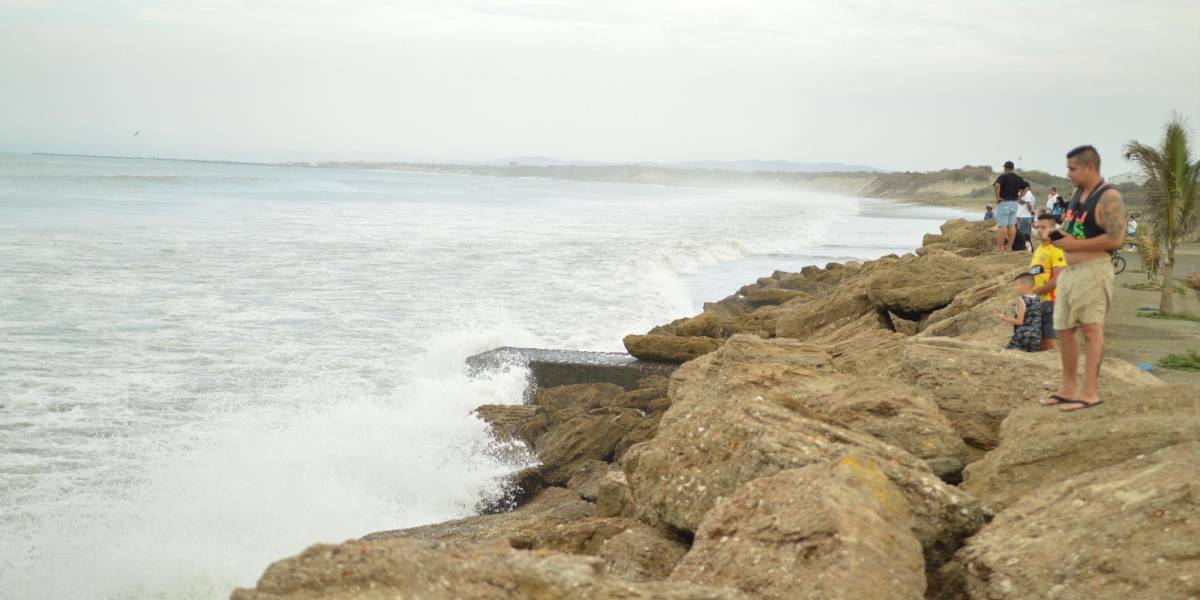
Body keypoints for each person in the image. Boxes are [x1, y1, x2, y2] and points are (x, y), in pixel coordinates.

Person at [1045, 145, 1126, 411]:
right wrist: (1055, 237)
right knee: (1064, 330)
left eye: (1072, 168)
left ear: (1089, 167)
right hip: (1070, 273)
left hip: (1094, 271)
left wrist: (1073, 245)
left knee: (1092, 330)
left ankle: (1090, 392)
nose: (1068, 174)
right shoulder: (1079, 194)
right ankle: (1068, 388)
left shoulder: (1108, 197)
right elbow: (1074, 232)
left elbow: (1116, 238)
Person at [1030, 214, 1068, 350]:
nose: (1039, 230)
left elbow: (1059, 278)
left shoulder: (1056, 249)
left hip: (1050, 301)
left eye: (1044, 227)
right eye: (1037, 227)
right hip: (1039, 300)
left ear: (1053, 229)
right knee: (1040, 342)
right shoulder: (1040, 248)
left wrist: (1037, 292)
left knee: (1049, 343)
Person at [994, 272, 1042, 352]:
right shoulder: (1038, 298)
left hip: (1023, 335)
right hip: (1036, 337)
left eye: (1016, 285)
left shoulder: (1022, 300)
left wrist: (1003, 317)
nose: (1014, 288)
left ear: (1026, 286)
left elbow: (1020, 321)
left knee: (1008, 353)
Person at [993, 161, 1027, 251]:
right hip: (1014, 203)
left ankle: (1000, 248)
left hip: (1004, 202)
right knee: (1011, 225)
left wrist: (997, 197)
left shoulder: (1003, 177)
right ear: (1013, 168)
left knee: (1003, 225)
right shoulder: (1018, 178)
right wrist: (1020, 196)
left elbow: (997, 185)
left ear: (1005, 168)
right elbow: (1026, 187)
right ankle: (1009, 246)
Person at [1014, 184, 1037, 250]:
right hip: (1023, 217)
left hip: (1024, 217)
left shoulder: (1028, 193)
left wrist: (1030, 211)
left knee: (1024, 235)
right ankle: (1029, 248)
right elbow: (1021, 202)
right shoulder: (1026, 195)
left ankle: (1028, 249)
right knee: (1025, 234)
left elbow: (1029, 205)